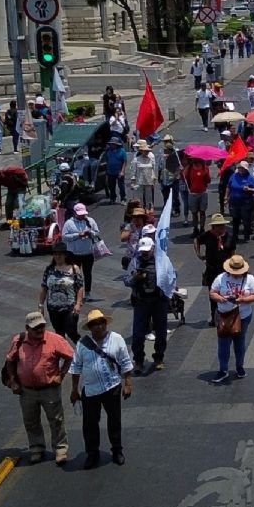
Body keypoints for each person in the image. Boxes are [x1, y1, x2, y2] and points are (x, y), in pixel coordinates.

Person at [5, 312, 74, 465]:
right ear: (27, 328)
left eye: (42, 326)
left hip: (49, 388)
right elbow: (10, 360)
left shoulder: (55, 340)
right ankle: (36, 448)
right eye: (35, 328)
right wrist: (13, 381)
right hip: (27, 390)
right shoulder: (19, 341)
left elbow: (70, 356)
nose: (39, 330)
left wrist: (61, 375)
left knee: (56, 420)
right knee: (30, 421)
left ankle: (60, 449)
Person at [69, 309, 133, 469]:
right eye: (94, 324)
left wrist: (128, 384)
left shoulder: (117, 339)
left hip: (112, 387)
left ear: (105, 323)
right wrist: (74, 390)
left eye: (101, 323)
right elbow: (76, 368)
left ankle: (117, 450)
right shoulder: (82, 344)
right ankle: (92, 453)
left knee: (114, 421)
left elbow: (125, 362)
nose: (98, 326)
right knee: (89, 424)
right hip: (90, 390)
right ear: (90, 327)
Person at [209, 255, 254, 384]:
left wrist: (242, 300)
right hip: (223, 314)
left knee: (239, 341)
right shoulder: (221, 278)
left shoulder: (250, 279)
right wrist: (220, 298)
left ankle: (240, 366)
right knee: (223, 343)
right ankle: (223, 369)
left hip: (243, 315)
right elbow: (212, 292)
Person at [124, 237, 170, 373]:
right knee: (138, 333)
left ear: (153, 249)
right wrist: (135, 278)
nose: (145, 253)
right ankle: (138, 360)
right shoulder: (135, 262)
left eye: (147, 251)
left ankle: (159, 358)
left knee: (161, 332)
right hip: (141, 302)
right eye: (142, 251)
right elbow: (126, 280)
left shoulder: (162, 261)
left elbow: (173, 276)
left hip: (159, 301)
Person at [195, 214, 237, 326]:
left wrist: (234, 267)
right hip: (212, 270)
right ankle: (214, 315)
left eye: (222, 225)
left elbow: (233, 253)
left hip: (225, 271)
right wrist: (199, 254)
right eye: (218, 226)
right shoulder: (207, 236)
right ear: (213, 227)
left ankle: (227, 314)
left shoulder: (229, 237)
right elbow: (197, 241)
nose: (221, 228)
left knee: (226, 293)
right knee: (213, 293)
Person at [39, 242, 85, 342]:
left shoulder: (74, 269)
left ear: (65, 255)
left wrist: (78, 304)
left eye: (60, 254)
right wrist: (41, 305)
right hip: (53, 308)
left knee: (71, 331)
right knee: (59, 334)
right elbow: (44, 287)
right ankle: (66, 355)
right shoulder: (49, 269)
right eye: (55, 254)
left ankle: (84, 350)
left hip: (69, 307)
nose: (57, 256)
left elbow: (80, 287)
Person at [61, 204, 100, 301]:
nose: (82, 216)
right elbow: (64, 237)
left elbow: (97, 232)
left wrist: (91, 233)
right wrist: (78, 235)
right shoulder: (69, 223)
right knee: (74, 274)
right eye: (80, 214)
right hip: (74, 254)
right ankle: (74, 293)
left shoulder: (90, 221)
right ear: (75, 213)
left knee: (88, 274)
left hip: (88, 253)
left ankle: (87, 293)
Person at [227, 161, 254, 243]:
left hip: (245, 201)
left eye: (242, 168)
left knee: (246, 219)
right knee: (235, 219)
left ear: (246, 169)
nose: (241, 170)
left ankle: (246, 235)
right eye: (239, 168)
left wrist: (249, 189)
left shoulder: (250, 177)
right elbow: (229, 187)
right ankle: (235, 236)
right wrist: (226, 197)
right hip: (234, 201)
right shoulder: (234, 176)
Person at [182, 156, 212, 237]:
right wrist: (183, 172)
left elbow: (208, 180)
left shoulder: (205, 168)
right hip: (192, 194)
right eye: (192, 159)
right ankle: (195, 229)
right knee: (194, 213)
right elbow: (184, 179)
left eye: (195, 159)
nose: (194, 160)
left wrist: (206, 173)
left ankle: (202, 229)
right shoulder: (189, 168)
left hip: (203, 193)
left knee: (202, 212)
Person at [129, 140, 158, 210]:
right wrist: (133, 182)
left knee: (149, 199)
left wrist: (154, 180)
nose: (147, 152)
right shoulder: (136, 159)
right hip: (139, 181)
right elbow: (133, 171)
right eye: (145, 151)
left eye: (147, 151)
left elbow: (153, 170)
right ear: (141, 151)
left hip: (148, 182)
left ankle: (149, 212)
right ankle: (140, 212)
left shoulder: (151, 159)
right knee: (139, 199)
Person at [103, 137, 128, 205]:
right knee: (111, 186)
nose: (112, 145)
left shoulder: (122, 151)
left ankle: (123, 199)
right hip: (110, 171)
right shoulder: (108, 151)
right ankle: (112, 198)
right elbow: (107, 161)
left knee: (121, 186)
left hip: (119, 171)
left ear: (117, 144)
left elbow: (124, 162)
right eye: (111, 144)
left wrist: (122, 171)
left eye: (113, 144)